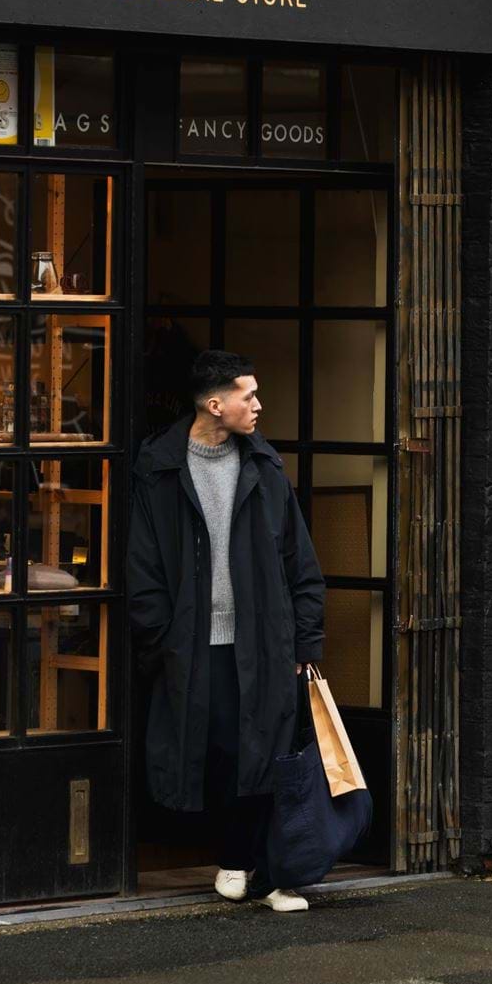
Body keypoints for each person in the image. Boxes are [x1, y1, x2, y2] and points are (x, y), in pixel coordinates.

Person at [128, 350, 325, 912]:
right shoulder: (159, 469)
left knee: (262, 755)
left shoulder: (264, 465)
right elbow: (142, 567)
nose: (259, 405)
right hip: (191, 644)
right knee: (214, 753)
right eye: (249, 395)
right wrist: (160, 640)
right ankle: (237, 859)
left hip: (261, 642)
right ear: (215, 405)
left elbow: (299, 561)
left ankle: (254, 869)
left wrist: (304, 641)